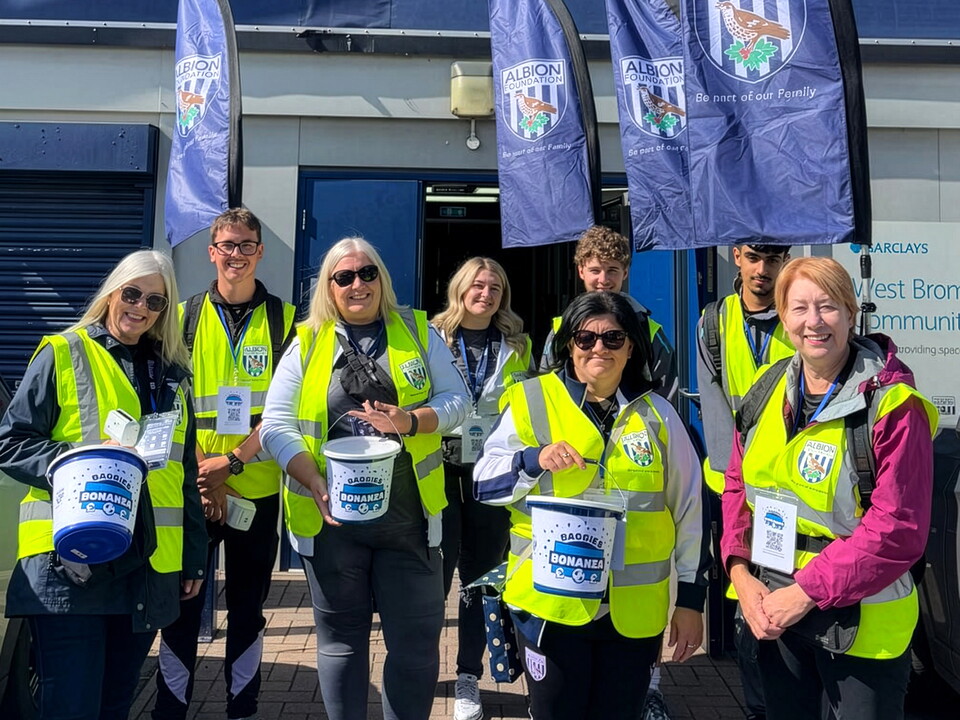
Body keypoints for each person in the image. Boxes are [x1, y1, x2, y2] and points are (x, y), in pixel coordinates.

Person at [475, 291, 710, 720]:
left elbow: (691, 509)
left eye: (613, 339)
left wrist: (692, 600)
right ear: (569, 345)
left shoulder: (658, 415)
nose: (598, 348)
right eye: (585, 339)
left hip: (633, 612)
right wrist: (533, 459)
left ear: (631, 347)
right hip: (550, 606)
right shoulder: (531, 400)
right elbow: (483, 484)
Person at [260, 237, 469, 720]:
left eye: (368, 273)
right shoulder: (307, 342)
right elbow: (274, 424)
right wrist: (311, 479)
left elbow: (458, 401)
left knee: (416, 648)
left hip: (409, 524)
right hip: (332, 522)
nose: (359, 284)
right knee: (341, 646)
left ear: (382, 279)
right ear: (328, 288)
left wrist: (412, 420)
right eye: (344, 277)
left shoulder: (417, 330)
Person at [721, 257, 937, 720]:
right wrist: (740, 575)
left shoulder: (893, 404)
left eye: (828, 306)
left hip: (861, 623)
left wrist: (803, 592)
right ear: (783, 317)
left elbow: (898, 529)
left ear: (851, 314)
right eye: (799, 308)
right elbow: (738, 485)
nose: (813, 322)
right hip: (776, 609)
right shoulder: (768, 387)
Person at [0, 250, 206, 720]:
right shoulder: (63, 352)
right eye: (132, 293)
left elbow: (183, 475)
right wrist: (79, 461)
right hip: (73, 564)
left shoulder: (174, 375)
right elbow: (10, 442)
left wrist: (194, 556)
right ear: (112, 292)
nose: (140, 307)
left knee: (115, 706)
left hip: (150, 565)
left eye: (155, 301)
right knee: (71, 707)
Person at [152, 209, 296, 720]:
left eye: (246, 245)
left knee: (247, 611)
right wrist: (200, 473)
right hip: (193, 491)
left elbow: (288, 411)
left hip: (253, 490)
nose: (236, 254)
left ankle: (243, 708)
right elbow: (166, 401)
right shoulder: (182, 317)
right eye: (227, 245)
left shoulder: (287, 319)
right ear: (212, 252)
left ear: (261, 252)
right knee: (182, 602)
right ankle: (170, 709)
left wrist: (230, 465)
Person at [431, 257, 533, 720]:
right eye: (477, 284)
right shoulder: (432, 337)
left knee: (480, 579)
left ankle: (467, 676)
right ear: (460, 289)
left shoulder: (518, 344)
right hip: (440, 471)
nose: (486, 293)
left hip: (491, 477)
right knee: (434, 574)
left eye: (495, 287)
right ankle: (420, 667)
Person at [695, 242, 792, 720]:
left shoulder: (799, 313)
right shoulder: (715, 321)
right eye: (754, 257)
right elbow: (715, 412)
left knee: (790, 597)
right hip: (734, 488)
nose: (763, 269)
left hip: (792, 489)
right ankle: (758, 707)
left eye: (773, 259)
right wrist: (733, 481)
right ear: (736, 256)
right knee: (745, 598)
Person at [539, 225, 678, 404]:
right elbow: (545, 387)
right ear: (581, 271)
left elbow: (666, 398)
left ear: (625, 272)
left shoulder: (649, 331)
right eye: (595, 270)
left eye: (612, 270)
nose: (603, 280)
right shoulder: (561, 327)